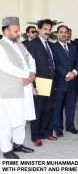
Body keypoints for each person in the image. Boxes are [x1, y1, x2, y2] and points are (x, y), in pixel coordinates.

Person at [0, 16, 36, 159]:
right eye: (15, 31)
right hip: (9, 91)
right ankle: (6, 149)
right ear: (5, 30)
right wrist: (28, 75)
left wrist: (32, 73)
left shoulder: (21, 45)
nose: (18, 33)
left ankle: (18, 144)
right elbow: (6, 66)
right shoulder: (0, 46)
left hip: (25, 88)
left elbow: (31, 59)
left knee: (21, 119)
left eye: (19, 30)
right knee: (6, 122)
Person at [26, 19, 58, 147]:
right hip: (39, 81)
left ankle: (46, 133)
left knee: (49, 109)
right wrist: (33, 85)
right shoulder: (31, 45)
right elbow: (28, 67)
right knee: (38, 110)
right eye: (45, 29)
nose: (47, 32)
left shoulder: (50, 44)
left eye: (49, 29)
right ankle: (36, 136)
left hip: (51, 81)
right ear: (38, 29)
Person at [52, 25, 78, 137]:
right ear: (57, 34)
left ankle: (70, 126)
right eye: (61, 32)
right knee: (58, 107)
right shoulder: (53, 47)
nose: (64, 34)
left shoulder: (73, 47)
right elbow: (55, 64)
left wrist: (74, 73)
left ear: (68, 34)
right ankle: (58, 128)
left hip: (73, 82)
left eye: (66, 32)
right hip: (60, 82)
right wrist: (68, 74)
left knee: (71, 106)